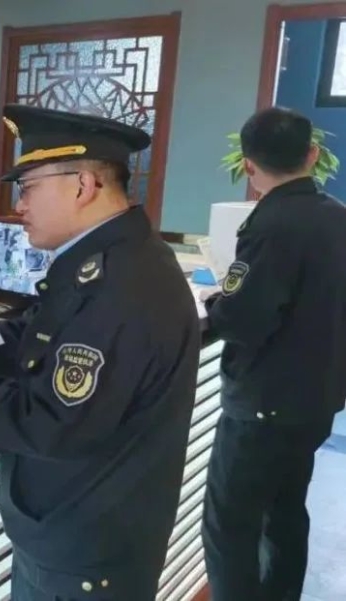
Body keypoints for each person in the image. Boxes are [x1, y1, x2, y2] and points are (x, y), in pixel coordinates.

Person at [0, 104, 201, 600]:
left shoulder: (121, 286)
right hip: (78, 534)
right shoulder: (111, 259)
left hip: (86, 553)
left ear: (82, 185)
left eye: (29, 187)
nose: (19, 205)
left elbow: (49, 423)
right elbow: (39, 339)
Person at [201, 107, 346, 601]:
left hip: (264, 405)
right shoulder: (337, 216)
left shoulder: (270, 223)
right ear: (313, 154)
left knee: (230, 528)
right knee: (284, 513)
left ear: (248, 165)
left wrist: (217, 303)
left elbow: (242, 321)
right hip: (317, 399)